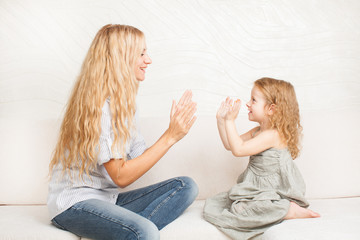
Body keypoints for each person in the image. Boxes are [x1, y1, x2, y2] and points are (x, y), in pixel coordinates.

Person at [47, 24, 198, 240]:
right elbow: (121, 176)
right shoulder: (100, 108)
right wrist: (169, 137)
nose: (149, 60)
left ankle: (125, 232)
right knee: (145, 232)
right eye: (141, 53)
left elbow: (138, 157)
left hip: (108, 200)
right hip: (74, 204)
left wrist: (174, 129)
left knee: (186, 186)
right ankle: (134, 233)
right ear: (121, 58)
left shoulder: (126, 104)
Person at [203, 77, 320, 240]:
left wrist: (231, 121)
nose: (248, 104)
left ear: (271, 109)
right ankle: (281, 209)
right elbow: (230, 145)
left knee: (242, 209)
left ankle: (287, 209)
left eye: (254, 100)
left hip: (276, 190)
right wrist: (221, 121)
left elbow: (239, 150)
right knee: (229, 203)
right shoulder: (257, 131)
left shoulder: (273, 135)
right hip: (258, 188)